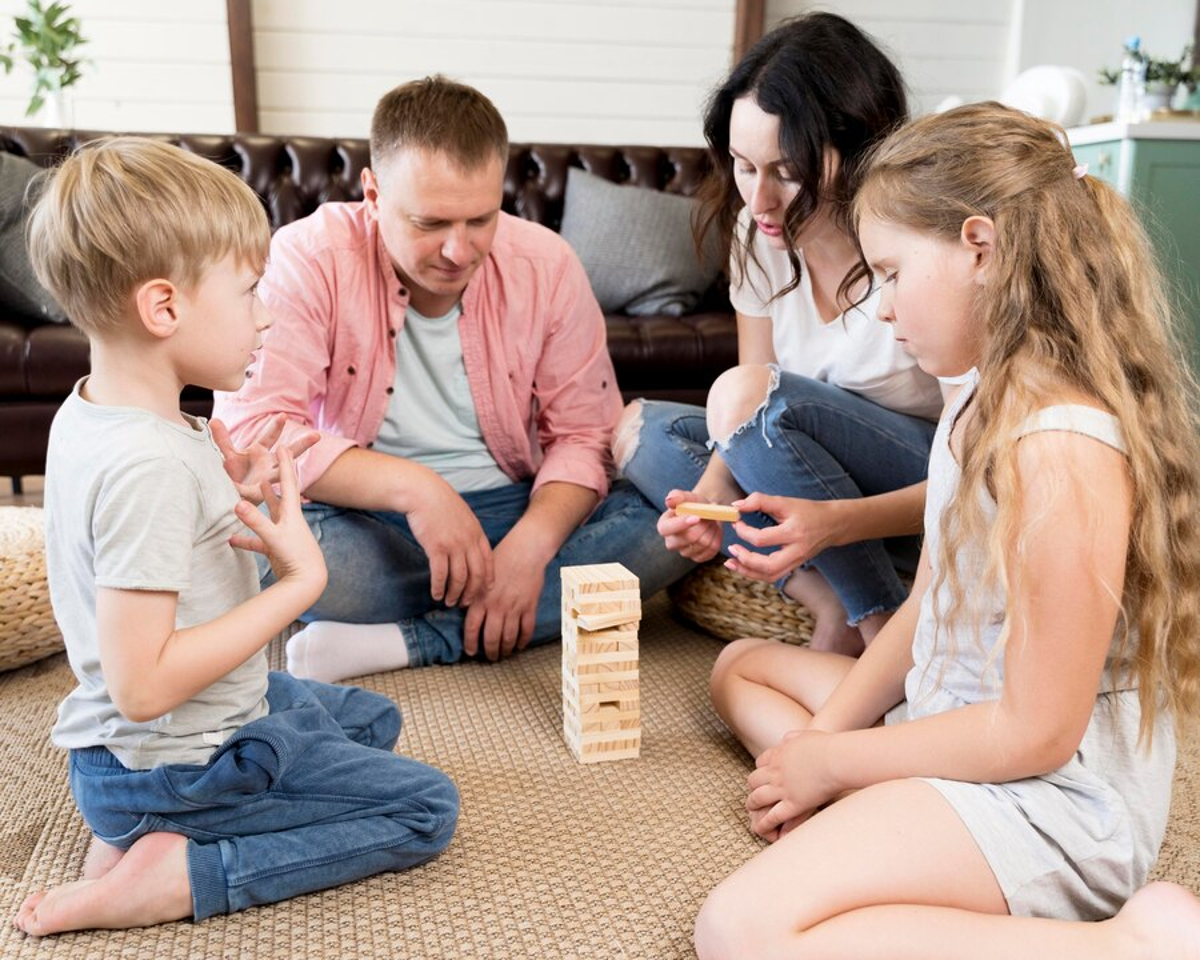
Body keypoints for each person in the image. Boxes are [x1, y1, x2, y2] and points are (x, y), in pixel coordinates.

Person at [694, 102, 1200, 958]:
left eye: (890, 273)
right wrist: (823, 745)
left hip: (1044, 800)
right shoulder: (975, 396)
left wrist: (836, 766)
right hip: (947, 722)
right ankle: (888, 808)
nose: (882, 310)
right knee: (737, 665)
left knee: (739, 929)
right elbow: (930, 599)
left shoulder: (1062, 447)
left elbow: (1038, 731)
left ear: (980, 246)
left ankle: (1135, 944)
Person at [13, 138, 459, 937]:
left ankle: (133, 834)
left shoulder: (98, 412)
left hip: (163, 741)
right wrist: (298, 587)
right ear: (163, 309)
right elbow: (142, 685)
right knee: (427, 808)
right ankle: (178, 871)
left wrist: (228, 494)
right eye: (250, 291)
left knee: (369, 722)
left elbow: (153, 555)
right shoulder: (145, 464)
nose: (266, 313)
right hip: (175, 761)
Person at [213, 76, 689, 683]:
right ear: (374, 192)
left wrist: (530, 548)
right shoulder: (307, 257)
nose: (458, 251)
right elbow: (256, 431)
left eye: (480, 220)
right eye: (430, 223)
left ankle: (409, 640)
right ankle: (513, 605)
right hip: (369, 520)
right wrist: (417, 490)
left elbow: (586, 435)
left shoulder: (546, 263)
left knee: (677, 521)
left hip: (517, 507)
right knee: (243, 544)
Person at [614, 13, 944, 656]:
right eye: (742, 166)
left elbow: (982, 473)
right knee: (642, 436)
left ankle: (874, 621)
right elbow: (744, 407)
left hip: (918, 487)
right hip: (793, 466)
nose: (759, 200)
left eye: (786, 172)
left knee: (746, 403)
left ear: (859, 151)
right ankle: (828, 598)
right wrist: (711, 496)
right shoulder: (757, 239)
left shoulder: (919, 247)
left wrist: (838, 520)